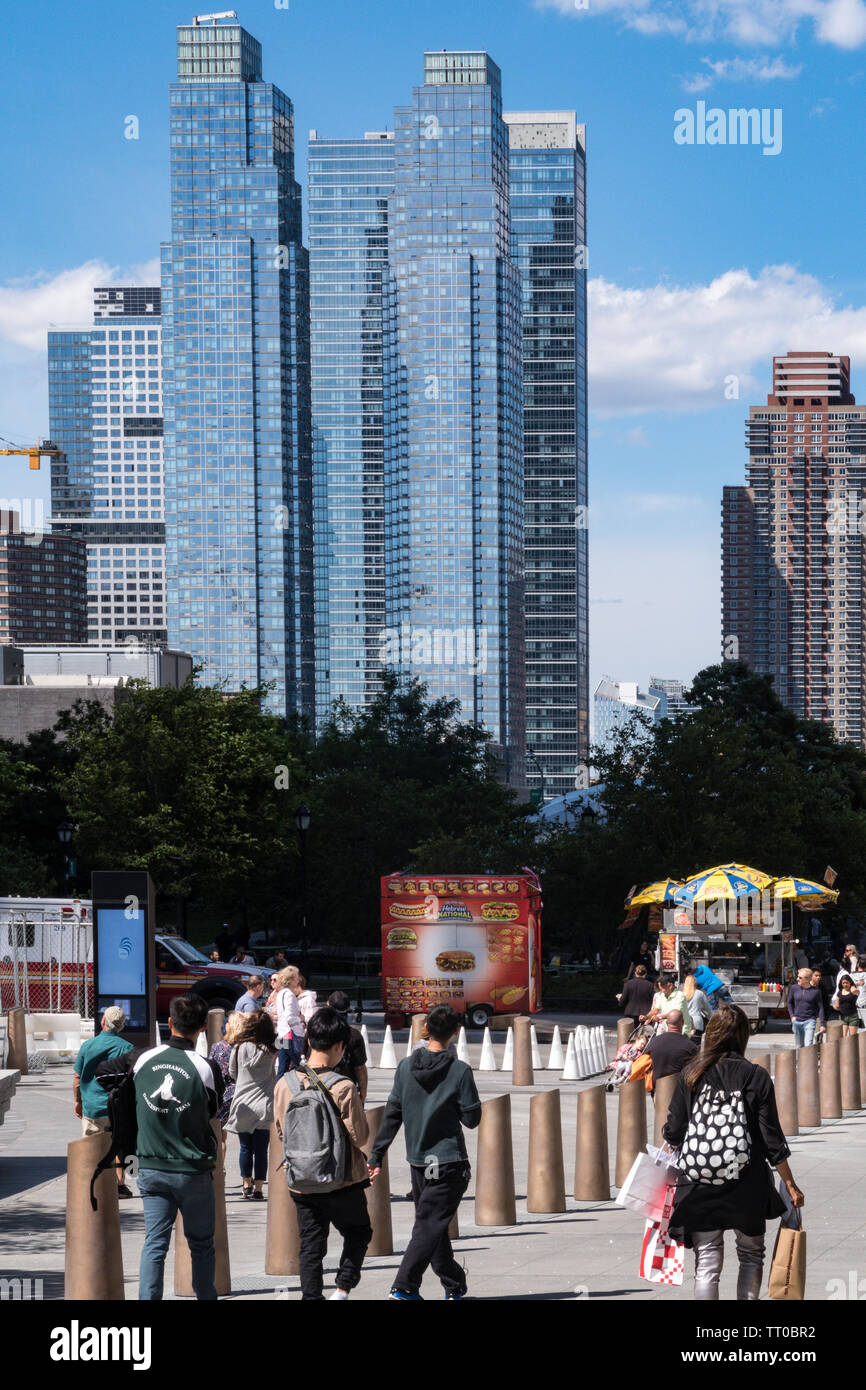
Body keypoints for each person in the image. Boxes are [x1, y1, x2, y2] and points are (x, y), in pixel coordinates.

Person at [663, 1003, 804, 1301]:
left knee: (707, 1262)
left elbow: (674, 1130)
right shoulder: (756, 1076)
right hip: (747, 1180)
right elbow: (771, 1139)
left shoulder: (692, 1074)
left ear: (711, 1035)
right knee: (752, 1255)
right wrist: (789, 1183)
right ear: (743, 1036)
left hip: (700, 1180)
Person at [368, 1003, 482, 1301]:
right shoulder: (460, 1071)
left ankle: (454, 1283)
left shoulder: (406, 1067)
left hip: (420, 1161)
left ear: (426, 1029)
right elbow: (472, 1120)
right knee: (431, 1224)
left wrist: (376, 1154)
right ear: (456, 1032)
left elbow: (393, 1113)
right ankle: (404, 1287)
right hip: (448, 1160)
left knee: (434, 1224)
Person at [274, 1007, 372, 1300]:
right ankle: (341, 1290)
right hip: (342, 1180)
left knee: (311, 1246)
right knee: (359, 1232)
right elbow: (360, 1136)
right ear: (340, 1046)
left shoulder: (284, 1084)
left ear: (309, 1042)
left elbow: (282, 1131)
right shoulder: (343, 1086)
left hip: (301, 1180)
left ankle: (311, 1297)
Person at [134, 993, 224, 1300]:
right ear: (202, 1027)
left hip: (150, 1166)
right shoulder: (204, 1067)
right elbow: (213, 1111)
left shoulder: (144, 1060)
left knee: (154, 1244)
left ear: (169, 1023)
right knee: (200, 1244)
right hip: (191, 1169)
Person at [72, 1006, 134, 1195]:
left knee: (91, 1146)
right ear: (121, 1026)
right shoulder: (127, 1048)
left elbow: (77, 1078)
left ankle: (94, 1187)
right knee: (119, 1145)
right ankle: (120, 1185)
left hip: (92, 1107)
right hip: (116, 1108)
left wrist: (78, 1101)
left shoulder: (87, 1046)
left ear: (102, 1022)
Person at [224, 1009, 277, 1199]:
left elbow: (232, 1072)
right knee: (262, 1149)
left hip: (243, 1103)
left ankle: (246, 1184)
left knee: (245, 1147)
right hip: (264, 1102)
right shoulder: (272, 1046)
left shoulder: (239, 1046)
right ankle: (259, 1188)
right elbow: (289, 1041)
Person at [308, 990, 368, 1100]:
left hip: (314, 1088)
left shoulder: (315, 1030)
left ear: (327, 1004)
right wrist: (362, 1096)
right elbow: (360, 1068)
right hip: (344, 1091)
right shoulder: (354, 1035)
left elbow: (303, 1057)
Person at [209, 1011, 243, 1171]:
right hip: (239, 1092)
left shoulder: (218, 1047)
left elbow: (211, 1070)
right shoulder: (243, 1047)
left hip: (221, 1094)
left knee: (219, 1136)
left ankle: (219, 1168)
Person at [646, 1010, 699, 1083]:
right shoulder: (690, 1046)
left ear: (667, 1023)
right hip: (680, 1090)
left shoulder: (654, 1042)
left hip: (657, 1090)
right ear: (683, 1022)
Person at [274, 965, 303, 1080]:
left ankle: (278, 1094)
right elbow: (290, 1018)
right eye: (296, 977)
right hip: (290, 1036)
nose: (299, 979)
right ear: (290, 980)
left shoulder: (281, 993)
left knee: (282, 1069)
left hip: (281, 1035)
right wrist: (301, 1019)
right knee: (299, 1067)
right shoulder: (290, 995)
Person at [788, 966, 826, 1047]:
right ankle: (800, 1060)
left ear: (807, 979)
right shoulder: (794, 988)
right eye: (798, 977)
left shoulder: (816, 991)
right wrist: (792, 1016)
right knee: (799, 1046)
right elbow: (789, 1003)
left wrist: (822, 1024)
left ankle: (807, 1060)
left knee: (808, 1045)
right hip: (797, 1021)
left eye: (800, 978)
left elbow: (820, 1008)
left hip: (810, 1021)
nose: (797, 979)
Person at [617, 964, 654, 1032]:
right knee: (644, 1036)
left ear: (635, 973)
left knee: (630, 1035)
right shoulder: (650, 985)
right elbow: (653, 1000)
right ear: (645, 974)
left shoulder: (628, 984)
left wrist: (620, 1000)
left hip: (630, 1012)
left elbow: (623, 1000)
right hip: (645, 1014)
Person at [682, 973, 712, 1038]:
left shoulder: (680, 995)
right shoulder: (700, 993)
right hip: (697, 1022)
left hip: (684, 1023)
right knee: (696, 1044)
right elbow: (708, 1009)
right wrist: (710, 1018)